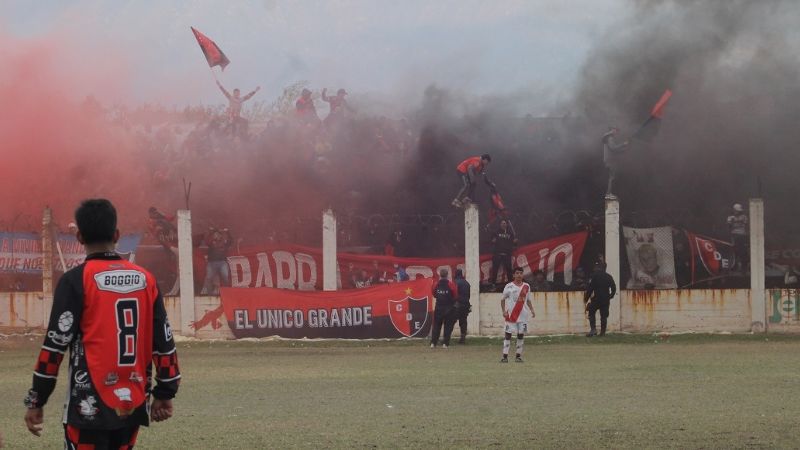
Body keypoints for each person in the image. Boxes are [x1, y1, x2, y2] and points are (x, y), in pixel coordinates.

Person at [23, 199, 180, 448]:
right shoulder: (146, 279)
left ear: (79, 237)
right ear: (117, 235)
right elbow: (164, 341)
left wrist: (36, 400)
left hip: (88, 405)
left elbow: (54, 347)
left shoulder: (75, 280)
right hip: (133, 403)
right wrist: (165, 391)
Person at [500, 267, 535, 363]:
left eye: (521, 273)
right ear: (513, 275)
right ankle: (505, 357)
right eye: (517, 273)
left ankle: (518, 357)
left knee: (520, 335)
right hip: (511, 315)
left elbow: (528, 300)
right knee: (508, 335)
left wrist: (532, 309)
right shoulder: (509, 286)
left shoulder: (526, 286)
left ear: (523, 275)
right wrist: (503, 311)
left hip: (523, 316)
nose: (519, 275)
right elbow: (502, 299)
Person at [584, 260, 617, 337]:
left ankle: (593, 330)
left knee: (591, 312)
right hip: (605, 299)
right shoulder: (609, 277)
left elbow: (590, 288)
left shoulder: (595, 276)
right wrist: (610, 296)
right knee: (604, 316)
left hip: (596, 299)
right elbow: (614, 288)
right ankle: (602, 333)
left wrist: (586, 298)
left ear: (599, 267)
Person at [430, 268, 458, 349]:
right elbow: (455, 295)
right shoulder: (451, 284)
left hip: (438, 307)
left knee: (436, 326)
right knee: (448, 326)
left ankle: (433, 343)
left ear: (440, 275)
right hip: (449, 308)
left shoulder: (436, 284)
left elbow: (434, 294)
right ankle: (445, 344)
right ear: (447, 275)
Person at [201, 227, 233, 295]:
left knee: (225, 277)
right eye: (215, 235)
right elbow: (206, 241)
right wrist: (211, 232)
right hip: (211, 263)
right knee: (209, 278)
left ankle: (227, 293)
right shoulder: (211, 242)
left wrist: (227, 232)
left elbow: (230, 241)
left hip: (222, 263)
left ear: (220, 235)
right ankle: (210, 294)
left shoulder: (224, 242)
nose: (216, 236)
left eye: (218, 234)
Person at [602, 126, 629, 198]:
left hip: (608, 160)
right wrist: (623, 144)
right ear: (612, 130)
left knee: (612, 177)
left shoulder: (607, 138)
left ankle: (610, 194)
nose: (616, 132)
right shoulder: (610, 138)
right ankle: (609, 194)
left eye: (617, 130)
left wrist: (623, 150)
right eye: (615, 130)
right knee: (612, 177)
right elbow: (613, 148)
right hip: (611, 160)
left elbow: (614, 150)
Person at [489, 219, 517, 287]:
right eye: (502, 223)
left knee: (509, 270)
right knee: (495, 269)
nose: (503, 224)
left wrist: (515, 242)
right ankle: (493, 284)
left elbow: (514, 244)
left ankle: (511, 284)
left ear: (507, 224)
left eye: (504, 223)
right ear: (500, 224)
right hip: (497, 254)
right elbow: (491, 241)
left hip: (507, 254)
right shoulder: (496, 232)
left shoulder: (510, 233)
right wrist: (492, 241)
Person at [727, 203, 749, 272]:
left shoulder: (744, 217)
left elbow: (746, 223)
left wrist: (736, 220)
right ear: (734, 210)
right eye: (736, 211)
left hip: (742, 236)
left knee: (743, 251)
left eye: (739, 211)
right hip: (734, 236)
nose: (737, 212)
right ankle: (734, 267)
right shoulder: (730, 217)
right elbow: (729, 225)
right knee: (734, 251)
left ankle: (744, 268)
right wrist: (732, 221)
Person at [453, 269, 471, 344]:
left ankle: (446, 338)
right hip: (466, 304)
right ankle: (463, 338)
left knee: (450, 321)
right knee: (463, 321)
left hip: (457, 305)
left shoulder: (455, 282)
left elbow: (454, 294)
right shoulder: (467, 283)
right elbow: (468, 296)